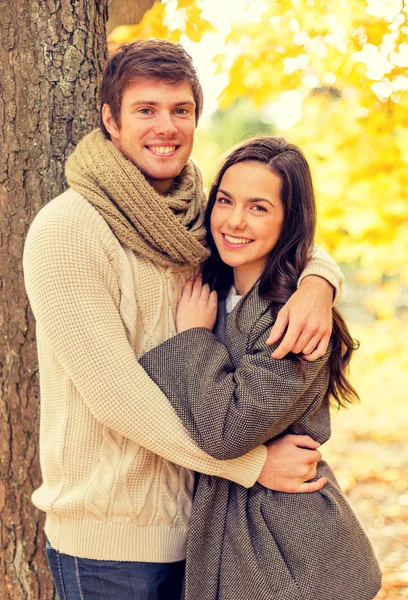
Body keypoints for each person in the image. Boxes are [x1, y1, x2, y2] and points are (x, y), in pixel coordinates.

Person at [23, 40, 345, 599]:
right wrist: (251, 465)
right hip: (109, 541)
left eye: (181, 110)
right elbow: (117, 396)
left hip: (201, 532)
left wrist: (320, 281)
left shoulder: (198, 213)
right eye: (145, 110)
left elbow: (274, 233)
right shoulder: (68, 230)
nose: (165, 127)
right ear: (110, 120)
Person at [140, 137, 382, 600]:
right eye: (226, 201)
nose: (234, 221)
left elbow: (226, 431)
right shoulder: (212, 284)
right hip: (221, 529)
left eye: (258, 208)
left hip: (284, 550)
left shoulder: (295, 322)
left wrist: (193, 337)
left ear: (288, 221)